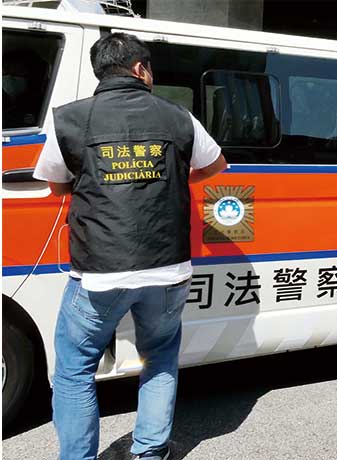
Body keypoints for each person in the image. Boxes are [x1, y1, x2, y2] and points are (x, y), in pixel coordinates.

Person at [32, 33, 227, 460]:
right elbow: (216, 164)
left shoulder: (69, 119)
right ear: (140, 69)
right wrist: (173, 176)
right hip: (168, 269)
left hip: (98, 273)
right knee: (159, 358)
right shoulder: (178, 116)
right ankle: (149, 451)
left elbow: (55, 186)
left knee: (74, 370)